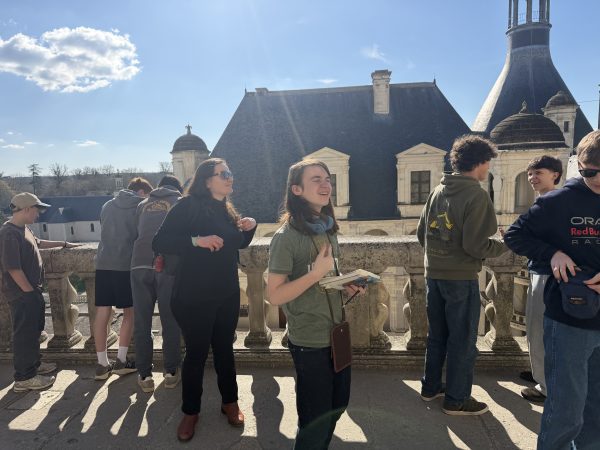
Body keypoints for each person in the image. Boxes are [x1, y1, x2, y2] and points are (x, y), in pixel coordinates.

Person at [501, 130, 600, 449]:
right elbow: (515, 235)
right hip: (569, 318)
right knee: (566, 410)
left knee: (596, 410)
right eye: (590, 173)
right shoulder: (558, 202)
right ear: (578, 166)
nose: (598, 180)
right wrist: (552, 253)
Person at [153, 158, 257, 442]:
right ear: (206, 180)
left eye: (230, 172)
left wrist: (249, 228)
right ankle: (190, 411)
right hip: (194, 295)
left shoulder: (226, 209)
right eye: (223, 174)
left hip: (226, 293)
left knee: (225, 350)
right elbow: (159, 242)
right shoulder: (187, 206)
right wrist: (196, 241)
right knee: (196, 354)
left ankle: (230, 402)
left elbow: (236, 244)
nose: (229, 177)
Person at [267, 159, 364, 449]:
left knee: (337, 406)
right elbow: (274, 295)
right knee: (314, 420)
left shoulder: (327, 229)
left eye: (327, 179)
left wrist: (344, 283)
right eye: (316, 179)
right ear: (296, 190)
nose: (325, 185)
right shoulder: (285, 238)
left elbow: (324, 278)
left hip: (337, 334)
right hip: (309, 341)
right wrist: (315, 274)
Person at [417, 135, 508, 416]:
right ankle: (456, 400)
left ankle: (431, 386)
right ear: (480, 162)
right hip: (460, 277)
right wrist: (504, 245)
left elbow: (422, 234)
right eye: (488, 163)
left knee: (437, 335)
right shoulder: (476, 195)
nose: (488, 168)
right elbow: (475, 246)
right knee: (463, 340)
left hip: (434, 274)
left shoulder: (437, 190)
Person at [0, 193, 79, 392]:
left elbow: (38, 242)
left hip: (30, 291)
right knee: (24, 335)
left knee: (34, 331)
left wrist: (63, 244)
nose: (38, 214)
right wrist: (29, 293)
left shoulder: (22, 228)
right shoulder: (8, 234)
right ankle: (24, 378)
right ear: (27, 209)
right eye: (37, 210)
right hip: (22, 294)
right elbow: (13, 269)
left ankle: (34, 365)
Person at [508, 156, 563, 403]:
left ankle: (545, 386)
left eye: (538, 172)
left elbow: (515, 236)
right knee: (542, 330)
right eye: (530, 173)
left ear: (555, 174)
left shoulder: (550, 203)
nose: (532, 178)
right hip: (549, 271)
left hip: (546, 273)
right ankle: (542, 374)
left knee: (538, 329)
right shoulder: (554, 202)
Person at [93, 177, 153, 381]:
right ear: (142, 192)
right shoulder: (140, 206)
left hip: (103, 263)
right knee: (130, 313)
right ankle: (121, 360)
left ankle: (102, 364)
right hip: (126, 265)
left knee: (103, 312)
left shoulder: (107, 205)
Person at [131, 175, 183, 393]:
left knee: (142, 322)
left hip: (139, 263)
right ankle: (171, 372)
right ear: (178, 188)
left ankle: (144, 375)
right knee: (169, 320)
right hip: (167, 264)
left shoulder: (142, 204)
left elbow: (138, 232)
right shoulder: (180, 202)